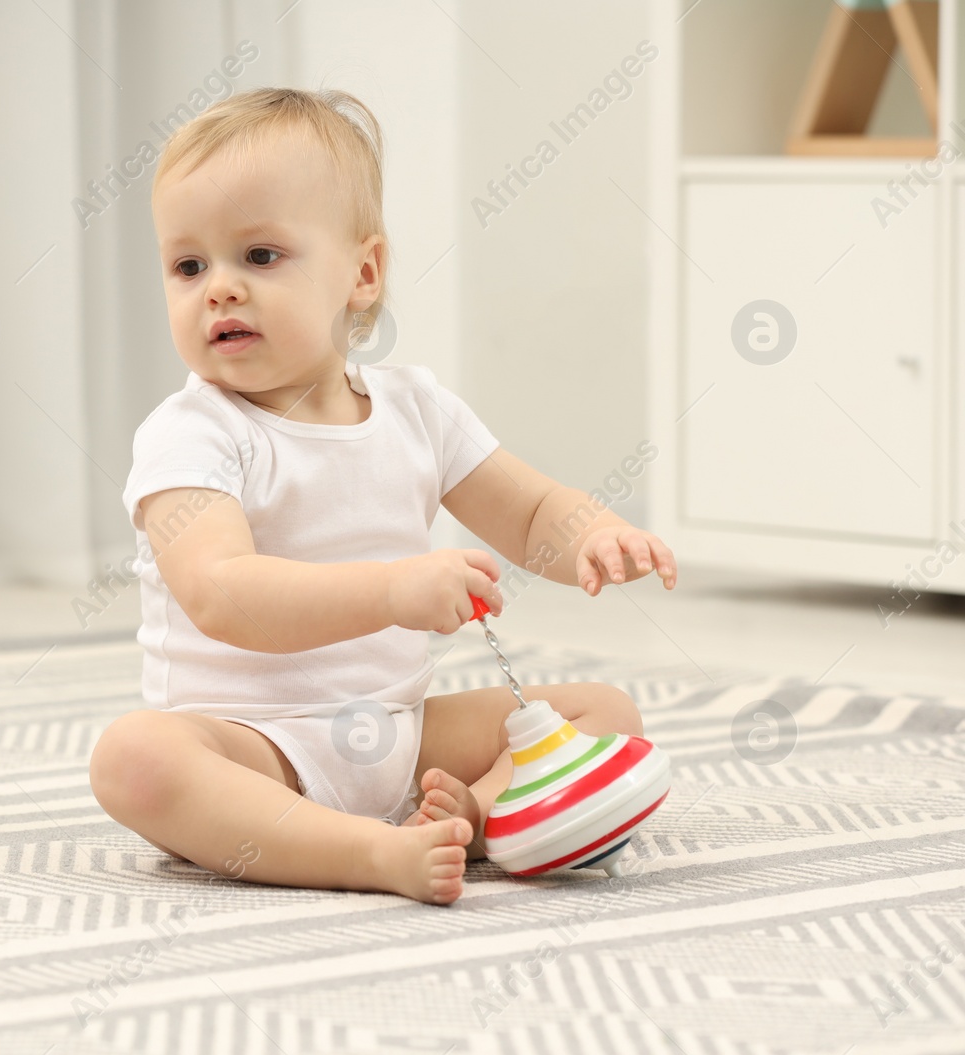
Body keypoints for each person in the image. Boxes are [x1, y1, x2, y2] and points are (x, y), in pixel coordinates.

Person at [89, 87, 678, 906]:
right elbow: (222, 596)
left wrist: (591, 532)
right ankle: (361, 854)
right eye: (189, 266)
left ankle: (463, 812)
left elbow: (530, 512)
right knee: (135, 758)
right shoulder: (191, 434)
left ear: (362, 273)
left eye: (258, 256)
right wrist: (397, 592)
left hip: (401, 739)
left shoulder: (417, 410)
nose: (218, 288)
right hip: (254, 750)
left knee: (606, 711)